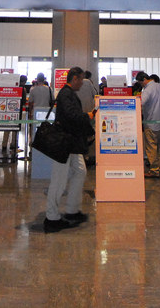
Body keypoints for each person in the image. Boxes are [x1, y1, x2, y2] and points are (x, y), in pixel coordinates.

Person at [43, 66, 94, 233]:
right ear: (75, 78)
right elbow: (71, 116)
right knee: (59, 180)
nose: (82, 83)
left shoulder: (69, 93)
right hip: (64, 144)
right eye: (81, 80)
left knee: (80, 171)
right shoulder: (66, 94)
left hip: (71, 143)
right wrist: (88, 116)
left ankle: (72, 209)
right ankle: (51, 218)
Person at [140, 73, 160, 178]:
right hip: (159, 122)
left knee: (151, 147)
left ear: (144, 79)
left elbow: (141, 102)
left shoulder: (147, 89)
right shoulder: (158, 86)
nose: (141, 85)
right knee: (159, 147)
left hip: (150, 122)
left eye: (140, 83)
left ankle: (154, 170)